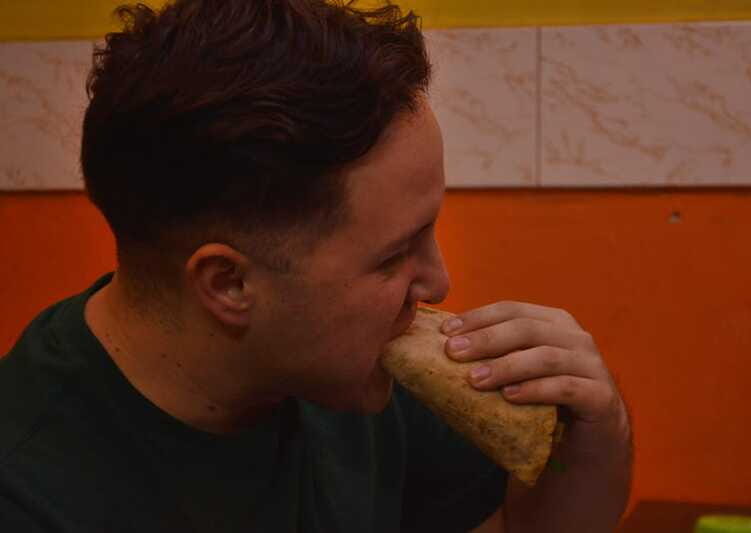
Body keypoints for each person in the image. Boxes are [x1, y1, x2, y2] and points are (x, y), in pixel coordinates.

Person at [0, 0, 632, 531]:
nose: (439, 284)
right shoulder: (32, 492)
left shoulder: (350, 377)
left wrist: (595, 438)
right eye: (394, 256)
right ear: (229, 283)